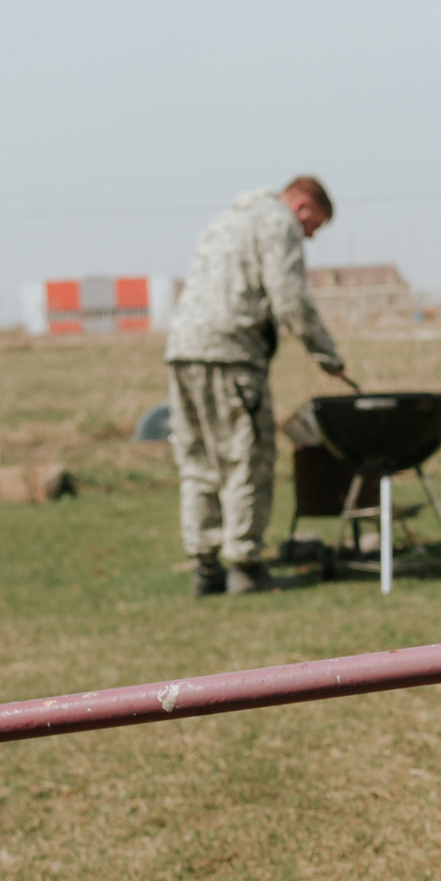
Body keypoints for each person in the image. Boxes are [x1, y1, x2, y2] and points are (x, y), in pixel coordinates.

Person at [165, 174, 352, 596]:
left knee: (199, 461)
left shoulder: (226, 220)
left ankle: (206, 568)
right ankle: (247, 568)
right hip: (232, 355)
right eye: (313, 227)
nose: (309, 235)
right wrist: (327, 355)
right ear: (303, 207)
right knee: (246, 458)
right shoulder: (277, 222)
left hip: (181, 349)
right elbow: (289, 296)